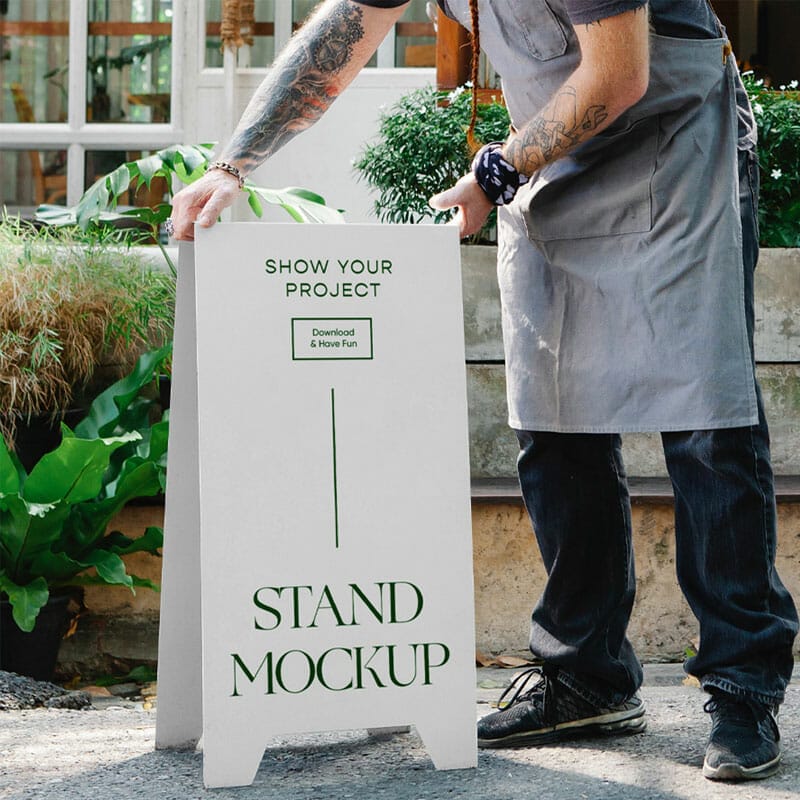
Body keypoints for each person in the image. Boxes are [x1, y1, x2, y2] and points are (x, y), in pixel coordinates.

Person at [168, 0, 798, 783]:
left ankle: (743, 685)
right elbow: (339, 40)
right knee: (552, 413)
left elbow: (619, 73)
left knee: (707, 414)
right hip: (555, 147)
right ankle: (585, 674)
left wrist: (495, 169)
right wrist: (231, 166)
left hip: (673, 134)